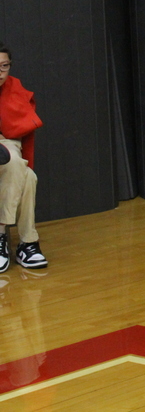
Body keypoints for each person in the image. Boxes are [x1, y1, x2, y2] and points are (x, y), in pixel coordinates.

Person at [0, 43, 46, 272]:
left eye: (4, 66)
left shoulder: (13, 87)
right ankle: (28, 242)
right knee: (25, 174)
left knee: (18, 167)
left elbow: (15, 127)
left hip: (6, 142)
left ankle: (1, 240)